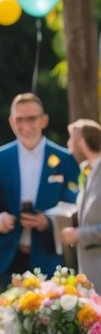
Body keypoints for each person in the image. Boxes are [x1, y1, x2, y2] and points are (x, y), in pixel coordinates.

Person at [0, 92, 80, 289]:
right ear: (11, 121)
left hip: (48, 258)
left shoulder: (66, 159)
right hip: (5, 260)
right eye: (19, 119)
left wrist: (49, 221)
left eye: (32, 119)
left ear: (44, 120)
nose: (25, 126)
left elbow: (75, 204)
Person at [61, 119, 101, 291]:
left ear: (82, 142)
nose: (69, 147)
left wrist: (78, 234)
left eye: (71, 141)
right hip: (91, 274)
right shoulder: (90, 171)